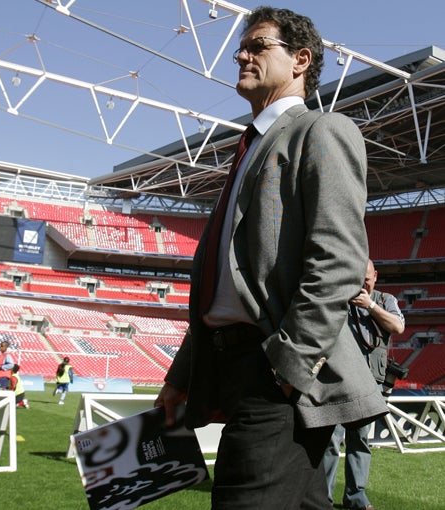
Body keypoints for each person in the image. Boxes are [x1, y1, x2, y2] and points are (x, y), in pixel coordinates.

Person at [154, 6, 388, 508]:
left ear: (301, 60)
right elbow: (227, 285)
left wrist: (287, 367)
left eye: (258, 45)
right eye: (245, 46)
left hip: (273, 370)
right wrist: (180, 377)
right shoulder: (248, 148)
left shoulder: (320, 131)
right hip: (231, 364)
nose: (242, 54)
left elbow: (339, 260)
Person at [323, 259, 405, 510]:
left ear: (376, 276)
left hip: (369, 384)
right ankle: (322, 498)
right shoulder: (341, 298)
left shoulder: (385, 300)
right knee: (331, 441)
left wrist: (370, 306)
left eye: (367, 277)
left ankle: (356, 496)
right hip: (337, 381)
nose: (363, 282)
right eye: (359, 277)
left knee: (360, 440)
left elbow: (398, 327)